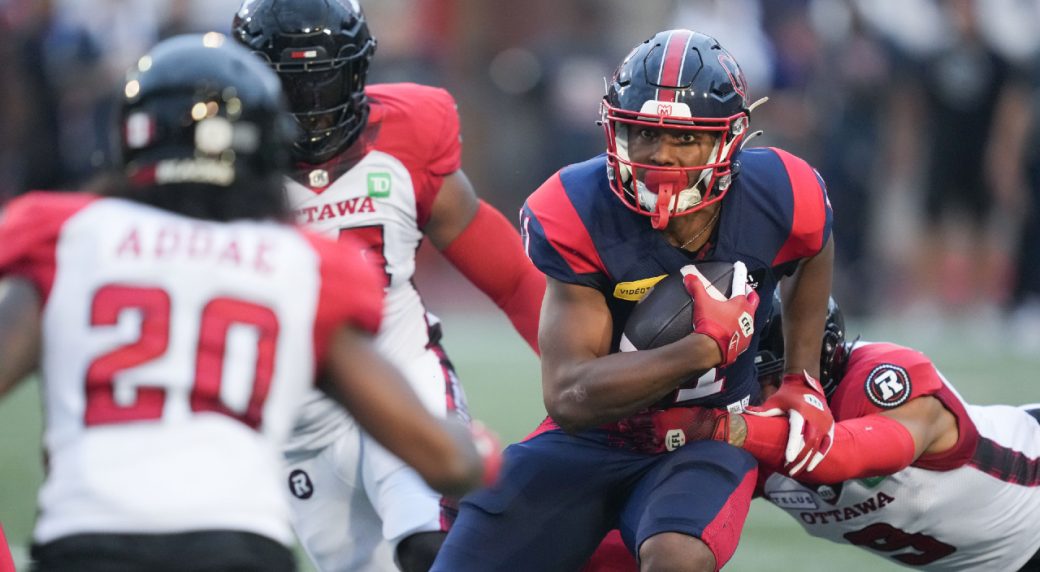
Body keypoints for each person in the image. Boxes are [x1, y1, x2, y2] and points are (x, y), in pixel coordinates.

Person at [0, 33, 494, 572]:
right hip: (235, 545)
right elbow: (439, 457)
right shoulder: (300, 265)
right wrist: (473, 454)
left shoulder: (67, 236)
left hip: (84, 542)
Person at [433, 29, 836, 571]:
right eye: (643, 135)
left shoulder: (781, 193)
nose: (660, 157)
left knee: (677, 557)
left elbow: (815, 246)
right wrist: (701, 349)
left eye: (685, 139)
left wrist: (801, 378)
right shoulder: (579, 207)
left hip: (707, 438)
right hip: (596, 436)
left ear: (729, 140)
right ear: (614, 129)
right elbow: (570, 394)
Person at [230, 1, 544, 571]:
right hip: (300, 426)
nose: (311, 107)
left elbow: (513, 278)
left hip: (403, 377)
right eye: (290, 85)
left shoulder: (405, 136)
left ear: (358, 71)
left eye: (324, 80)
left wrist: (578, 369)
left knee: (430, 547)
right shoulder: (225, 174)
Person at [630, 298, 1040, 571]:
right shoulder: (746, 431)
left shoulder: (884, 380)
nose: (749, 397)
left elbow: (844, 455)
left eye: (762, 380)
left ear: (819, 361)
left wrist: (720, 428)